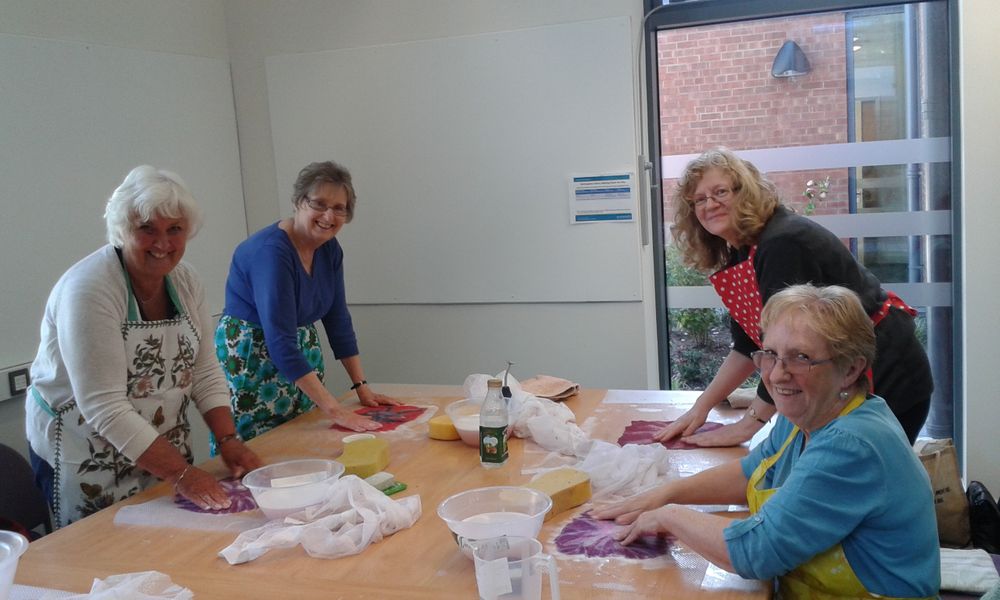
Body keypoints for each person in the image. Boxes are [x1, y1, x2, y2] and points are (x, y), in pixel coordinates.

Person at [594, 284, 940, 598]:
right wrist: (665, 493)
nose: (776, 374)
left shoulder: (852, 446)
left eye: (800, 358)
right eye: (770, 354)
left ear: (850, 370)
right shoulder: (806, 414)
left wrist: (671, 516)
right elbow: (751, 472)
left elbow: (755, 552)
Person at [25, 166, 261, 528]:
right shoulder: (90, 289)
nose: (162, 243)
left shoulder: (185, 281)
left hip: (157, 451)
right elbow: (104, 405)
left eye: (174, 230)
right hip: (83, 449)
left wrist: (228, 439)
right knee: (100, 556)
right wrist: (182, 474)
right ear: (122, 230)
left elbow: (204, 370)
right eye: (146, 229)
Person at [655, 148, 932, 446]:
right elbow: (748, 347)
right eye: (699, 199)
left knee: (859, 485)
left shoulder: (782, 244)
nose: (710, 204)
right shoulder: (745, 249)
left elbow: (786, 352)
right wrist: (700, 408)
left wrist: (747, 426)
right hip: (841, 378)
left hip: (886, 378)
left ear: (746, 192)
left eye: (720, 192)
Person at [217, 160, 397, 442]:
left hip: (298, 353)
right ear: (299, 201)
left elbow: (338, 320)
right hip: (253, 356)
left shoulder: (329, 249)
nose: (329, 216)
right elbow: (279, 340)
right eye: (319, 204)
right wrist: (335, 409)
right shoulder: (272, 253)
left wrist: (361, 386)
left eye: (339, 208)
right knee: (262, 447)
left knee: (303, 436)